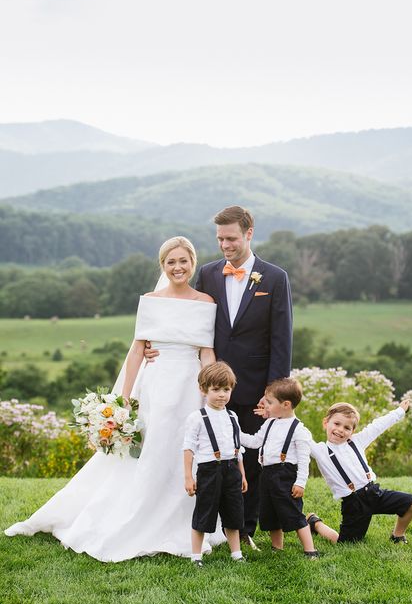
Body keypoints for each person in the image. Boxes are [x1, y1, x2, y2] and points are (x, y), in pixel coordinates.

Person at [5, 236, 226, 561]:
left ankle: (183, 520)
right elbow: (138, 350)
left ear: (193, 263)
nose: (178, 267)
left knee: (182, 449)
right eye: (171, 262)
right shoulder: (151, 300)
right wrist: (121, 403)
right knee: (149, 448)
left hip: (189, 387)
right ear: (163, 266)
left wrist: (212, 393)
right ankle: (133, 516)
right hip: (155, 384)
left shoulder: (206, 302)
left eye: (183, 261)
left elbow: (207, 353)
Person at [145, 206, 293, 549]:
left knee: (251, 463)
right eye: (220, 239)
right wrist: (156, 347)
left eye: (231, 238)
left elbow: (282, 339)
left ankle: (245, 532)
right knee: (214, 460)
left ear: (249, 233)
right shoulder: (209, 274)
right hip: (210, 388)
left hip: (256, 387)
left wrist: (272, 393)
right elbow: (187, 319)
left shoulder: (274, 277)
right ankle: (212, 527)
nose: (225, 245)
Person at [306, 400, 412, 544]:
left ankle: (397, 536)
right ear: (325, 423)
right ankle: (315, 523)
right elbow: (300, 433)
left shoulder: (357, 441)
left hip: (374, 493)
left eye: (347, 427)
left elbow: (378, 426)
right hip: (354, 503)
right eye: (336, 424)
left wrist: (400, 411)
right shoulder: (320, 451)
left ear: (352, 431)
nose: (340, 430)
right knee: (345, 543)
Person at [239, 378, 319, 560]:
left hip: (285, 476)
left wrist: (300, 483)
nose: (265, 405)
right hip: (266, 475)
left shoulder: (299, 430)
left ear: (286, 404)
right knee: (269, 513)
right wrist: (236, 434)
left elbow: (304, 460)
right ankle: (277, 548)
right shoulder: (270, 423)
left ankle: (310, 550)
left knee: (293, 512)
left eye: (269, 402)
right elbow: (255, 441)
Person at [183, 362, 248, 567]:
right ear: (203, 390)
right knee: (204, 512)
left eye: (226, 390)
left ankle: (236, 553)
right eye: (216, 389)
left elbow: (238, 448)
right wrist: (188, 476)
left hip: (231, 470)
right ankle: (196, 556)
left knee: (233, 512)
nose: (222, 395)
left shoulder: (232, 416)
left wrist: (242, 475)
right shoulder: (197, 418)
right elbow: (188, 448)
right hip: (209, 471)